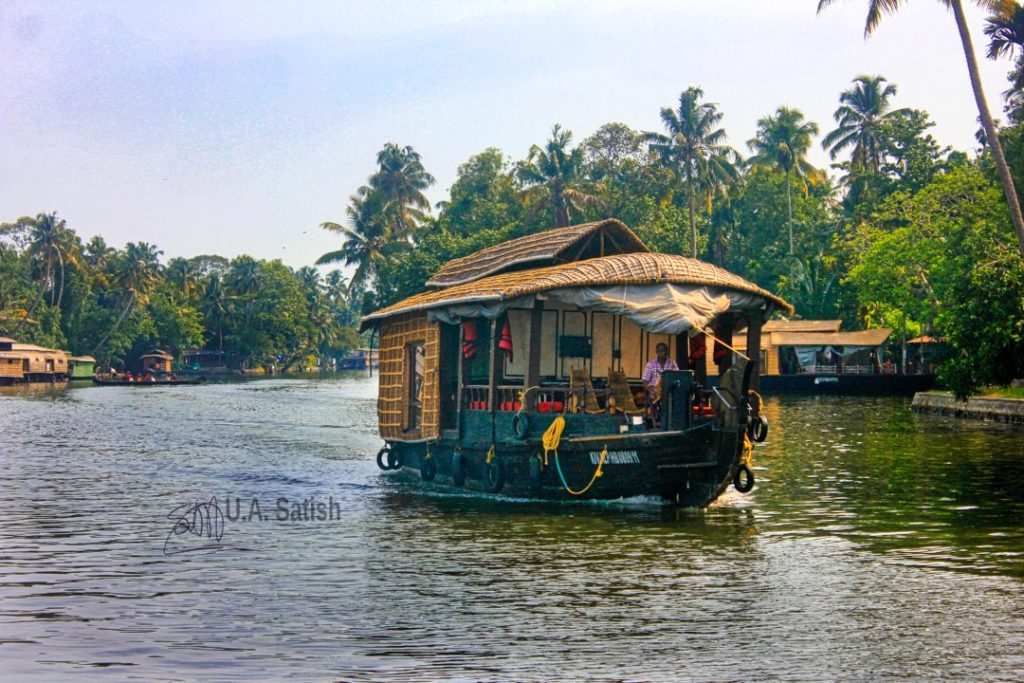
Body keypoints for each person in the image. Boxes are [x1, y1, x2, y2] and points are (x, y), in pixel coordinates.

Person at [642, 342, 679, 424]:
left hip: (669, 390)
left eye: (665, 351)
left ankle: (670, 420)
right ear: (657, 352)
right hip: (655, 390)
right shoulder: (650, 364)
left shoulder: (672, 363)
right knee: (655, 396)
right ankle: (657, 419)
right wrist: (650, 390)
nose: (664, 353)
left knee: (676, 397)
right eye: (661, 351)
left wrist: (674, 371)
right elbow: (645, 381)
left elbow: (677, 378)